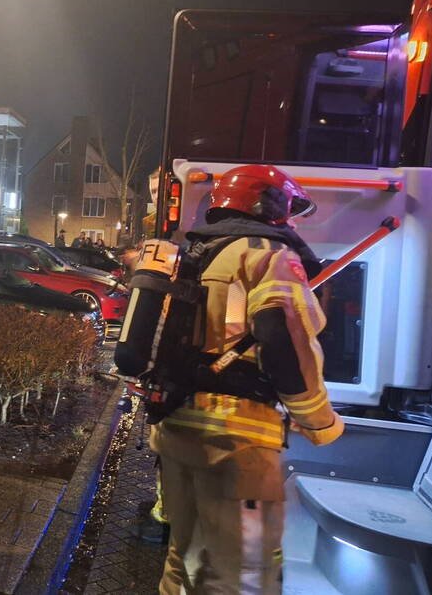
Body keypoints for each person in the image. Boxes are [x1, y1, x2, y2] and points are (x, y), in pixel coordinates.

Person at [150, 164, 343, 594]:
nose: (291, 220)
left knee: (186, 558)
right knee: (244, 575)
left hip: (177, 429)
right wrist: (321, 424)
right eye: (289, 208)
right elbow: (283, 339)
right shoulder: (270, 255)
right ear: (269, 206)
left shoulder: (194, 254)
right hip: (236, 445)